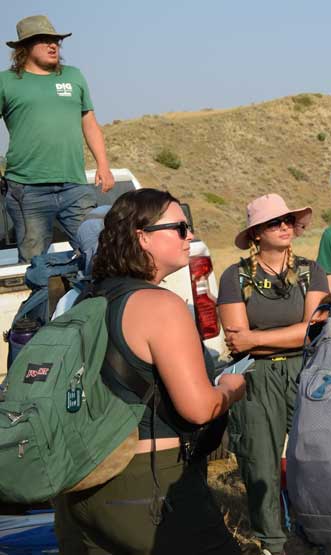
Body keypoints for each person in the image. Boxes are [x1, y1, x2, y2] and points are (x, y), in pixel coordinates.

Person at [52, 188, 244, 554]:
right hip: (148, 485)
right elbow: (199, 408)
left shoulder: (82, 300)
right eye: (179, 228)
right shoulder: (159, 306)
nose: (190, 236)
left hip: (78, 489)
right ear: (142, 237)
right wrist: (231, 389)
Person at [217, 193, 329, 555]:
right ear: (256, 234)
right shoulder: (236, 276)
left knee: (316, 458)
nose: (284, 227)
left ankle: (320, 532)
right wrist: (272, 339)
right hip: (255, 377)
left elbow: (314, 330)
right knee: (259, 462)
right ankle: (272, 543)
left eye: (287, 221)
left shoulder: (311, 272)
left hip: (305, 372)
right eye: (273, 223)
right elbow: (237, 342)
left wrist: (256, 337)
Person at [1, 15, 113, 262]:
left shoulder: (73, 76)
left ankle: (91, 302)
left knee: (99, 256)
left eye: (56, 41)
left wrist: (103, 165)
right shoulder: (5, 81)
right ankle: (41, 301)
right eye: (44, 40)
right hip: (27, 189)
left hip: (74, 185)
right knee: (35, 266)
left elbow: (89, 122)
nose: (53, 46)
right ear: (24, 48)